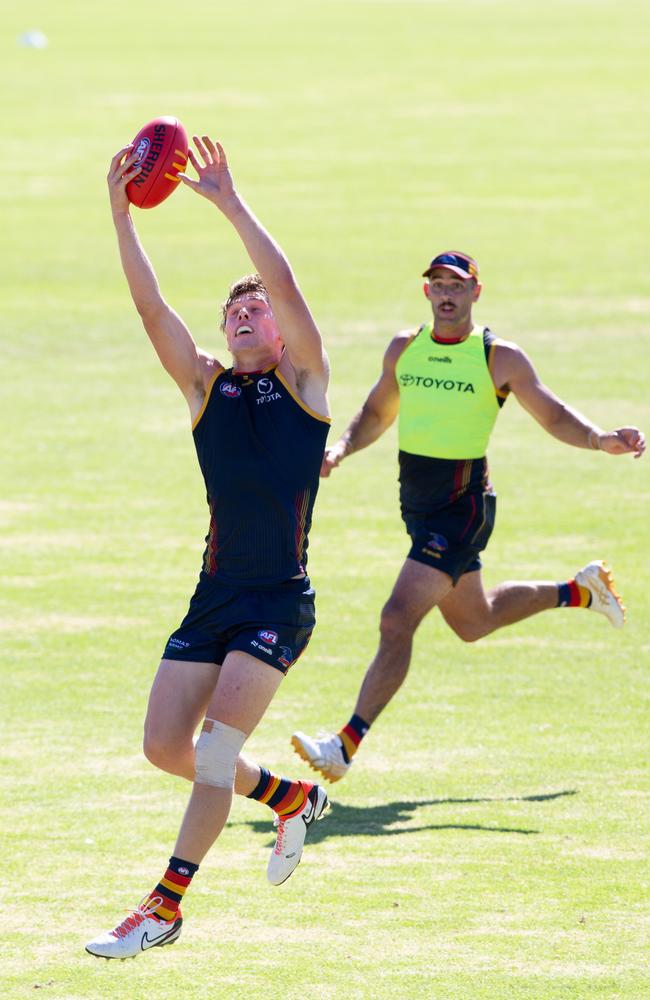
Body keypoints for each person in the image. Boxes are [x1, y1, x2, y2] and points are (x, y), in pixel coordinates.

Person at [86, 135, 331, 960]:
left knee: (215, 751)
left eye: (255, 309)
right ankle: (288, 797)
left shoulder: (306, 387)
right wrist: (122, 217)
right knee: (166, 747)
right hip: (214, 595)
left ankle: (163, 906)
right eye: (234, 309)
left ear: (285, 333)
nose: (243, 313)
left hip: (277, 604)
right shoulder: (206, 389)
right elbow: (152, 310)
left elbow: (288, 287)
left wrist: (230, 204)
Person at [291, 250, 646, 783]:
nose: (446, 293)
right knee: (474, 622)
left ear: (475, 292)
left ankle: (345, 744)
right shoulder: (404, 349)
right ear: (427, 292)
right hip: (420, 507)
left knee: (396, 618)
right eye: (437, 284)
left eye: (456, 284)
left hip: (463, 507)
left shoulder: (497, 357)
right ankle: (580, 590)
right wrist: (341, 449)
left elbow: (551, 413)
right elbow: (377, 412)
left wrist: (600, 440)